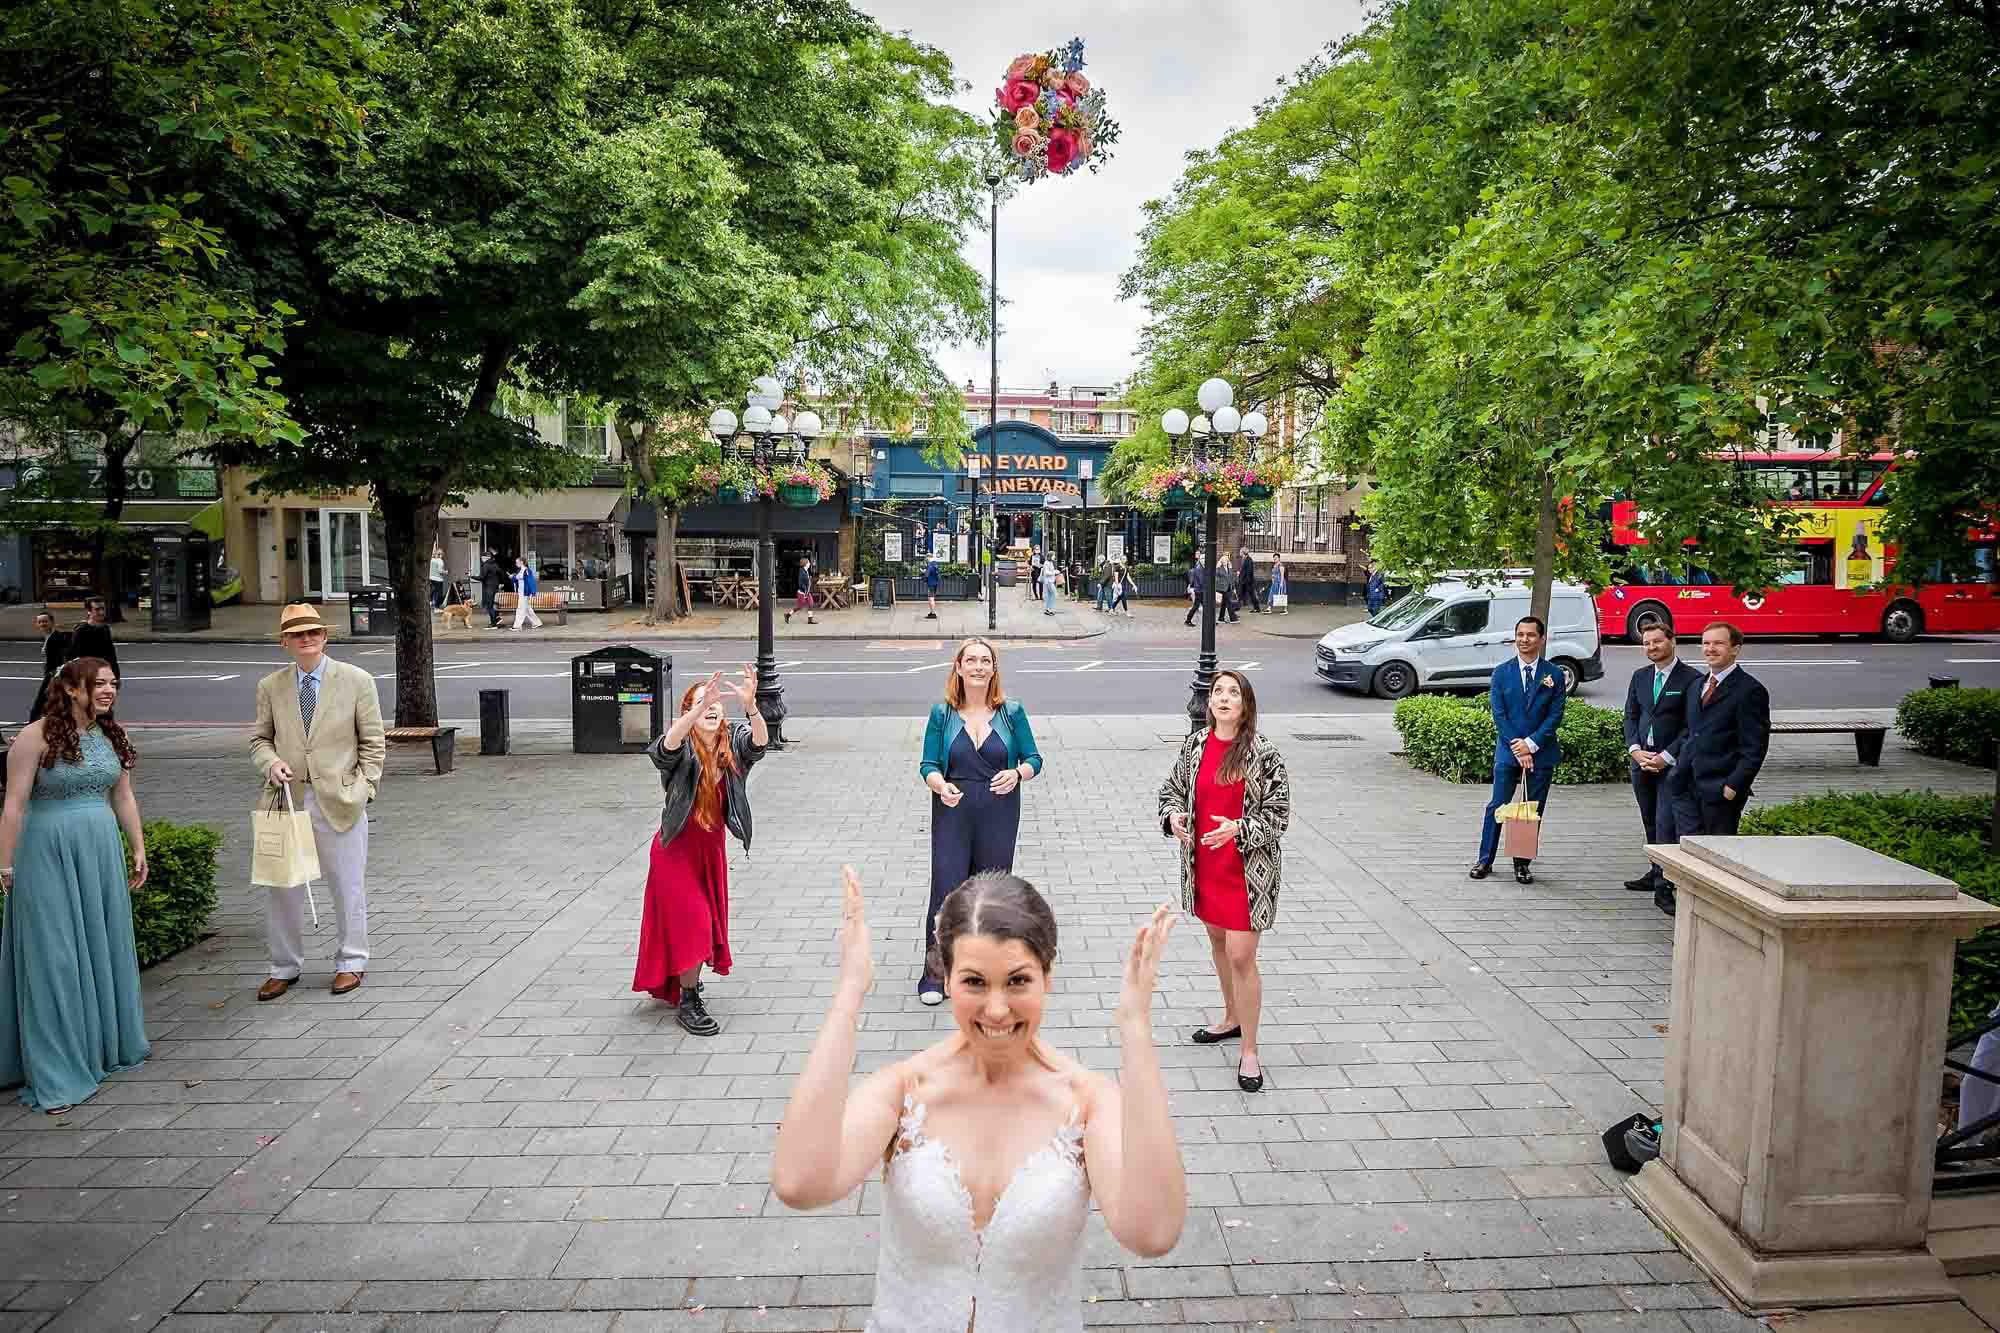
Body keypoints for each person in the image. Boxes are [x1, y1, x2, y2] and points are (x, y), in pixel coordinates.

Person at [770, 867, 1187, 1330]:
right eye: (974, 982)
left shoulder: (1087, 1100)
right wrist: (848, 995)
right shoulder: (905, 1090)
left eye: (1017, 981)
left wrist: (1135, 1028)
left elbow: (1152, 1232)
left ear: (1047, 976)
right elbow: (799, 1182)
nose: (996, 1009)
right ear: (945, 978)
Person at [0, 658, 150, 1113]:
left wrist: (138, 846)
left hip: (100, 852)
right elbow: (13, 806)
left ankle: (103, 1046)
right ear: (68, 688)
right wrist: (6, 867)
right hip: (46, 853)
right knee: (56, 957)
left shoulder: (111, 734)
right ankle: (56, 1070)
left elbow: (123, 795)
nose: (108, 691)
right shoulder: (34, 737)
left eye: (112, 684)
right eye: (98, 684)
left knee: (101, 946)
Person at [1158, 670, 1291, 1094]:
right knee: (1218, 943)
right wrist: (1174, 816)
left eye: (1234, 692)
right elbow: (1172, 790)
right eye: (1217, 691)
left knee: (1240, 955)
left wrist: (1239, 829)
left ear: (1246, 705)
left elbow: (1278, 815)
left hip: (1247, 873)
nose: (1224, 698)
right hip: (1206, 868)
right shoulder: (1195, 745)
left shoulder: (1263, 753)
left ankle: (1249, 1051)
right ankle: (1231, 1017)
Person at [250, 603, 386, 1000]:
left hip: (340, 798)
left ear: (325, 637)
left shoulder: (356, 680)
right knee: (282, 887)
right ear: (284, 642)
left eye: (313, 632)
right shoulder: (271, 687)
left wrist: (365, 790)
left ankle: (351, 961)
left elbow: (373, 743)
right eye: (297, 634)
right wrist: (270, 762)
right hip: (285, 799)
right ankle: (284, 966)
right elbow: (259, 738)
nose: (306, 639)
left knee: (347, 884)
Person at [635, 666, 768, 1035]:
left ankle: (687, 983)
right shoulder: (682, 749)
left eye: (713, 704)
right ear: (689, 713)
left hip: (709, 853)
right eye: (700, 704)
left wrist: (751, 707)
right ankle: (689, 1001)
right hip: (674, 851)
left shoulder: (733, 743)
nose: (710, 708)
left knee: (703, 922)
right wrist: (692, 713)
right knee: (694, 922)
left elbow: (760, 743)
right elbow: (663, 749)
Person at [917, 638, 1042, 1007]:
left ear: (993, 669)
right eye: (970, 660)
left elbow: (1035, 758)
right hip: (953, 809)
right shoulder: (941, 714)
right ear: (958, 667)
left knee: (992, 894)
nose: (977, 666)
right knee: (946, 887)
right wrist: (939, 785)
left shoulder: (1011, 713)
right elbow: (928, 766)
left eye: (984, 660)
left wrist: (1018, 773)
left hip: (999, 809)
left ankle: (986, 975)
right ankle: (936, 972)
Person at [1660, 621, 1771, 917]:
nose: (1710, 649)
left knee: (1717, 855)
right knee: (1690, 851)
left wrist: (1733, 785)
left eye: (1718, 643)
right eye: (1706, 643)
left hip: (1720, 788)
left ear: (1735, 649)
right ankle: (1691, 910)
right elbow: (1691, 732)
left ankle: (1715, 915)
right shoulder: (1697, 685)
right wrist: (1677, 772)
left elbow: (1754, 746)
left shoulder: (1750, 691)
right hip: (1685, 784)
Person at [1470, 615, 1566, 885]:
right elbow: (1499, 715)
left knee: (1529, 809)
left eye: (1531, 635)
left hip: (1541, 752)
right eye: (1520, 635)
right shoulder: (1502, 672)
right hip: (1508, 751)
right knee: (1497, 805)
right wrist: (1518, 747)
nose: (1525, 640)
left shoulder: (1554, 674)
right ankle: (1484, 859)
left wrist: (1532, 744)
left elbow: (1555, 715)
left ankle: (1522, 864)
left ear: (1541, 638)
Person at [1622, 623, 1699, 897]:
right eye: (1647, 643)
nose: (1652, 647)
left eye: (1657, 641)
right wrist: (1634, 749)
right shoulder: (1640, 676)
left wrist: (1667, 757)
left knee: (1667, 822)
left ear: (1672, 641)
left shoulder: (1691, 679)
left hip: (1671, 765)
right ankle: (1655, 870)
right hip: (1641, 761)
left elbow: (1691, 727)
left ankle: (1664, 887)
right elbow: (1631, 716)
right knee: (1650, 820)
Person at [25, 611, 68, 724]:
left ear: (52, 622)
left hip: (54, 675)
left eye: (45, 621)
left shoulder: (57, 637)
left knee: (40, 703)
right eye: (40, 622)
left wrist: (55, 673)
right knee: (57, 702)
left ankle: (31, 727)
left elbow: (62, 657)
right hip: (52, 674)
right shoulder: (49, 636)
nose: (42, 624)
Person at [69, 597, 119, 684]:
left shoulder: (105, 629)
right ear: (89, 611)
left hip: (103, 674)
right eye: (97, 609)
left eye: (103, 609)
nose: (101, 612)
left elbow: (111, 654)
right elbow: (73, 656)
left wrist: (116, 675)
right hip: (87, 676)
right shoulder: (81, 630)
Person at [510, 556, 542, 631]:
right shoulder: (521, 570)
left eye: (517, 562)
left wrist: (533, 592)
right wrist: (513, 577)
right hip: (521, 592)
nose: (516, 564)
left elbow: (531, 581)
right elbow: (518, 579)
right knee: (527, 609)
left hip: (524, 593)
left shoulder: (526, 570)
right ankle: (537, 623)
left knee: (520, 609)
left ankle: (517, 626)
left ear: (521, 562)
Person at [786, 552, 817, 626]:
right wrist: (805, 590)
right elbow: (800, 583)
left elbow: (807, 581)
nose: (810, 563)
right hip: (802, 593)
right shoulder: (802, 572)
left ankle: (810, 620)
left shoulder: (806, 571)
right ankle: (788, 615)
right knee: (799, 607)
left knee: (810, 604)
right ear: (805, 563)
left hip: (807, 592)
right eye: (809, 562)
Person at [478, 550, 503, 628]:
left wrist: (471, 576)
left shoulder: (486, 565)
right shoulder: (495, 564)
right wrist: (500, 583)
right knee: (493, 604)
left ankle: (493, 624)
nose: (481, 559)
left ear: (486, 558)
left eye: (482, 557)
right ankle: (497, 618)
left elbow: (482, 577)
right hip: (495, 587)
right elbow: (501, 573)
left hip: (489, 588)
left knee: (489, 606)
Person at [1236, 544, 1262, 614]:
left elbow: (1249, 571)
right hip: (1243, 581)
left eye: (1240, 551)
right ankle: (1237, 606)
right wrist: (1240, 574)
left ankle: (1257, 608)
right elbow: (1243, 570)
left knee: (1252, 595)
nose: (1239, 553)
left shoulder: (1249, 560)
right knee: (1240, 594)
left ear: (1243, 552)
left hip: (1248, 582)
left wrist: (1247, 581)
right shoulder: (1244, 559)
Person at [1184, 552, 1205, 627]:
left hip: (1201, 590)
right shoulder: (1199, 568)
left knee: (1205, 606)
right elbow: (1202, 581)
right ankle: (1188, 620)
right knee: (1196, 606)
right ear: (1199, 559)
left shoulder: (1203, 567)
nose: (1204, 560)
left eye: (1205, 558)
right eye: (1202, 558)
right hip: (1199, 591)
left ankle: (1211, 621)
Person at [923, 555, 940, 620]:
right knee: (932, 598)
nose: (926, 560)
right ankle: (931, 612)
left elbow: (927, 575)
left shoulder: (930, 565)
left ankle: (933, 613)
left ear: (928, 558)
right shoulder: (936, 564)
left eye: (926, 559)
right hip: (935, 583)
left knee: (931, 598)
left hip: (931, 583)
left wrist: (924, 573)